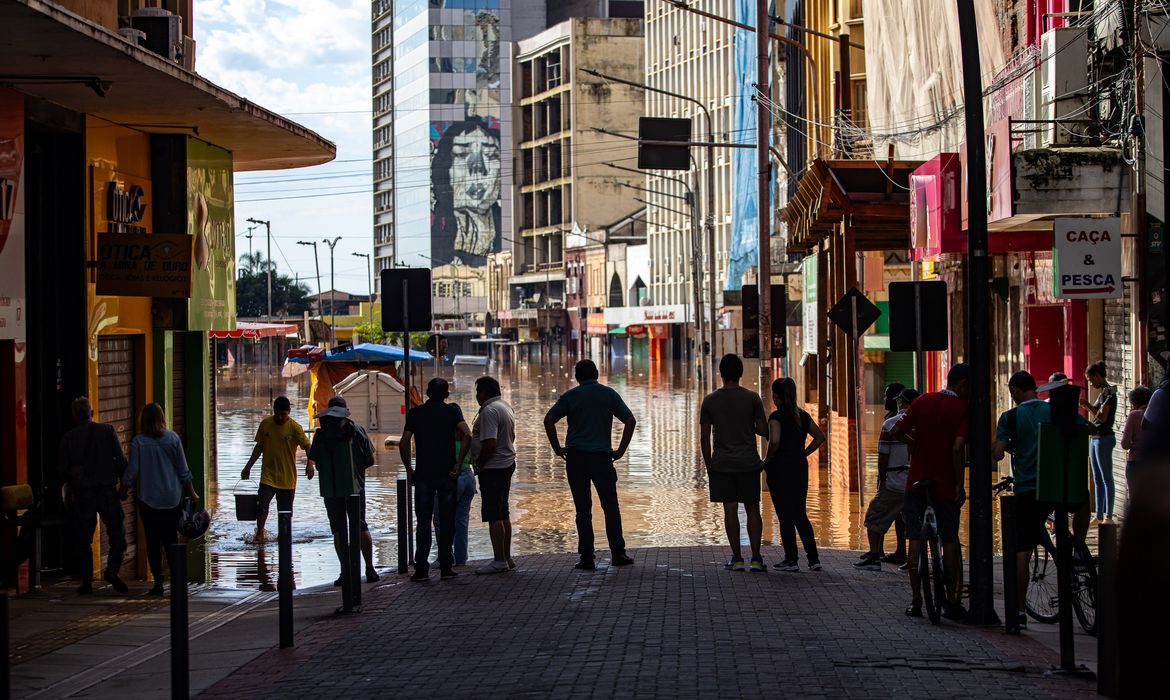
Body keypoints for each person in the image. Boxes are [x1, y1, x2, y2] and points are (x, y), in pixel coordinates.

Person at [891, 363, 970, 621]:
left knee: (914, 537)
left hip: (916, 482)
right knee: (949, 539)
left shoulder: (923, 400)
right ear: (962, 385)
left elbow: (895, 430)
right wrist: (960, 483)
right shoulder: (962, 408)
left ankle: (916, 600)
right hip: (944, 484)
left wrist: (916, 444)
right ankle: (951, 599)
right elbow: (958, 449)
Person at [543, 359, 637, 570]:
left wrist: (557, 449)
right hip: (602, 459)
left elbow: (548, 419)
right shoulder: (608, 394)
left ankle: (587, 557)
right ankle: (618, 554)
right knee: (610, 506)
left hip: (576, 459)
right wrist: (620, 451)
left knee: (582, 509)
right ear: (597, 373)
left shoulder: (570, 397)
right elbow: (630, 420)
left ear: (577, 377)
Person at [991, 371, 1059, 627]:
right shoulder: (1053, 410)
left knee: (1022, 552)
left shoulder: (1010, 417)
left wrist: (1005, 445)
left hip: (1029, 490)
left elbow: (997, 454)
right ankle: (1077, 554)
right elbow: (1089, 428)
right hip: (1059, 487)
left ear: (1015, 391)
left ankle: (1018, 611)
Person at [700, 354, 768, 572]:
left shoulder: (710, 401)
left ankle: (737, 558)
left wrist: (709, 464)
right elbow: (763, 430)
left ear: (721, 373)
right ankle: (756, 558)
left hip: (722, 463)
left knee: (729, 509)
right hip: (748, 462)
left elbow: (704, 437)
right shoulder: (753, 398)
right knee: (752, 508)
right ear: (740, 373)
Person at [122, 403, 198, 596]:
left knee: (152, 541)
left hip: (148, 499)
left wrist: (123, 489)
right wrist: (191, 491)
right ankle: (176, 581)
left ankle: (158, 582)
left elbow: (132, 472)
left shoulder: (138, 442)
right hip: (172, 497)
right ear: (162, 418)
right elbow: (183, 468)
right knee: (171, 540)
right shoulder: (172, 438)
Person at [400, 378, 472, 581]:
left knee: (423, 522)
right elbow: (468, 435)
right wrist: (458, 463)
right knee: (447, 520)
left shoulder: (416, 414)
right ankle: (446, 567)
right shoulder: (452, 412)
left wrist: (409, 469)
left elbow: (404, 443)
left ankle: (421, 568)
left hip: (423, 475)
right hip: (447, 476)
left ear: (427, 392)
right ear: (447, 394)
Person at [58, 397, 129, 594]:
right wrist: (124, 486)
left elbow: (62, 470)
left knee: (84, 539)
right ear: (92, 411)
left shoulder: (68, 439)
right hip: (107, 492)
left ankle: (87, 582)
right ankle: (112, 570)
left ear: (74, 415)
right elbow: (121, 461)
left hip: (83, 495)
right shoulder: (107, 431)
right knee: (118, 534)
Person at [310, 396, 380, 585]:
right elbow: (370, 460)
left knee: (338, 531)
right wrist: (355, 471)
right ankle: (369, 569)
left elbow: (316, 463)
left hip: (331, 490)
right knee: (361, 526)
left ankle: (345, 572)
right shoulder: (357, 430)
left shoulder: (320, 434)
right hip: (355, 489)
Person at [763, 377, 826, 572]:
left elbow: (774, 441)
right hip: (799, 468)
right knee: (800, 514)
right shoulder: (802, 415)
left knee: (784, 515)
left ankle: (791, 559)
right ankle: (814, 559)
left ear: (775, 396)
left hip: (779, 469)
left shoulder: (776, 417)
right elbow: (820, 437)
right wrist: (803, 453)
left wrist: (767, 461)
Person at [855, 388, 919, 571]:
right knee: (914, 525)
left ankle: (874, 556)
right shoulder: (924, 423)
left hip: (893, 482)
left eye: (899, 400)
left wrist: (882, 479)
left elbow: (883, 456)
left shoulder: (890, 424)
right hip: (915, 482)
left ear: (902, 402)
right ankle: (915, 561)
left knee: (874, 517)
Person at [240, 396, 311, 543]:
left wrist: (310, 464)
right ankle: (259, 534)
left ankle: (284, 537)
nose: (279, 417)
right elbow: (259, 447)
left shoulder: (295, 428)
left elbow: (308, 446)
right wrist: (248, 467)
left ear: (289, 412)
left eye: (283, 414)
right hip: (268, 476)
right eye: (277, 413)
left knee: (285, 512)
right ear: (273, 411)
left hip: (287, 478)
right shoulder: (265, 424)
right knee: (262, 504)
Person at [471, 376, 517, 575]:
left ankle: (499, 560)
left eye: (478, 392)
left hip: (493, 468)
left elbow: (490, 443)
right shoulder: (504, 406)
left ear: (484, 393)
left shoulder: (489, 411)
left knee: (494, 514)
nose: (476, 396)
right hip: (505, 464)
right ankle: (506, 557)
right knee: (503, 511)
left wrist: (480, 463)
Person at [1081, 361, 1117, 521]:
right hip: (1095, 438)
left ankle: (1108, 514)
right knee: (1096, 477)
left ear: (1097, 376)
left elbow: (1102, 417)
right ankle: (1099, 514)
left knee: (1106, 477)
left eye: (1090, 380)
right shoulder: (1103, 393)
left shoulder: (1109, 393)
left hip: (1104, 438)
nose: (1091, 383)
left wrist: (1087, 405)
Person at [435, 438, 477, 567]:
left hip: (453, 477)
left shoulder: (444, 437)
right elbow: (472, 459)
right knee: (461, 520)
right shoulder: (466, 438)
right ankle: (461, 559)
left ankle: (445, 557)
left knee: (440, 518)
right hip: (469, 477)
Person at [1121, 385, 1153, 492]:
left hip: (1135, 464)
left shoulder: (1134, 415)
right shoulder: (1156, 414)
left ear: (1134, 402)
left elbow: (1125, 444)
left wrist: (1134, 444)